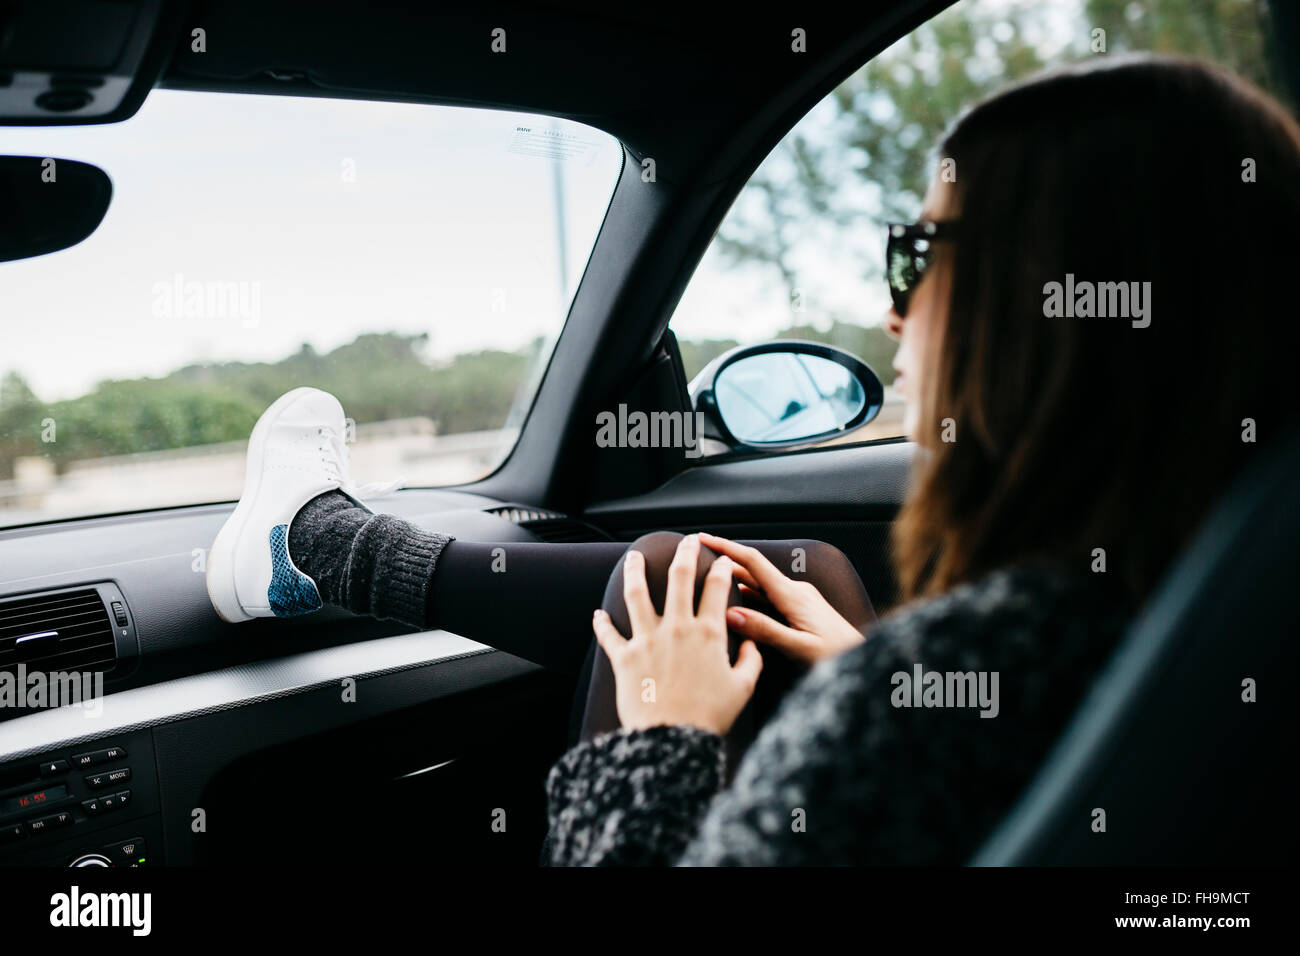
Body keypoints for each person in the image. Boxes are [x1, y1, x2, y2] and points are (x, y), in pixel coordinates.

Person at [205, 54, 1300, 865]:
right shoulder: (1216, 600)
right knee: (778, 572)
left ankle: (320, 548)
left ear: (1048, 307)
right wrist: (883, 673)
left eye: (920, 252)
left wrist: (666, 735)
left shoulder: (965, 675)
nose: (891, 303)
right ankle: (324, 549)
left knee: (663, 579)